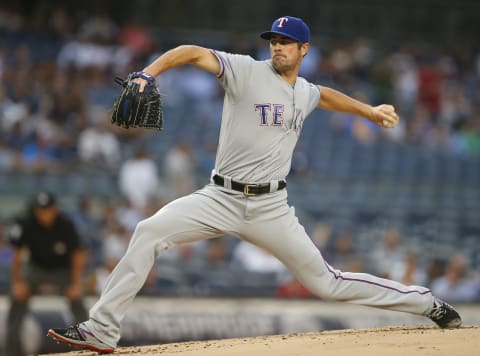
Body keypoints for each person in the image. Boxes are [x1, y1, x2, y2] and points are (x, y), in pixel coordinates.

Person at [48, 16, 462, 353]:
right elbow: (191, 52)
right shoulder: (245, 71)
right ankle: (102, 329)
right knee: (148, 230)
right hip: (219, 196)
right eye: (274, 40)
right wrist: (148, 72)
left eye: (286, 41)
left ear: (304, 50)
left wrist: (369, 112)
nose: (277, 46)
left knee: (326, 283)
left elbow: (325, 95)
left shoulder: (303, 91)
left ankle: (426, 302)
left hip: (271, 208)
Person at [5, 191, 88, 356]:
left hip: (62, 271)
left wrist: (75, 284)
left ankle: (84, 348)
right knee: (16, 297)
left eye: (47, 210)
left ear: (55, 209)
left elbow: (78, 254)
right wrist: (17, 282)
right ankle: (11, 351)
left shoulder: (66, 225)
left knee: (78, 301)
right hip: (36, 270)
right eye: (41, 210)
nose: (44, 214)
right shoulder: (27, 224)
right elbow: (16, 254)